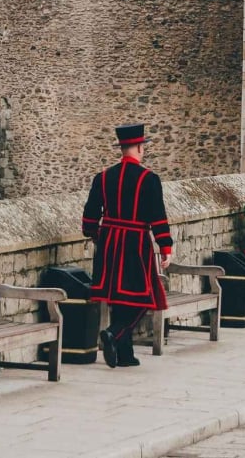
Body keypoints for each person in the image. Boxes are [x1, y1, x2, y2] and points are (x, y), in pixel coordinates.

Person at [81, 123, 173, 368]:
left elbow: (90, 214)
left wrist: (93, 234)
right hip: (135, 242)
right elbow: (158, 217)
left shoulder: (102, 178)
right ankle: (114, 332)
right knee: (143, 298)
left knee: (119, 298)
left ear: (122, 148)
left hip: (109, 241)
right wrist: (165, 246)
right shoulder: (149, 179)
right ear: (140, 147)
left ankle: (126, 354)